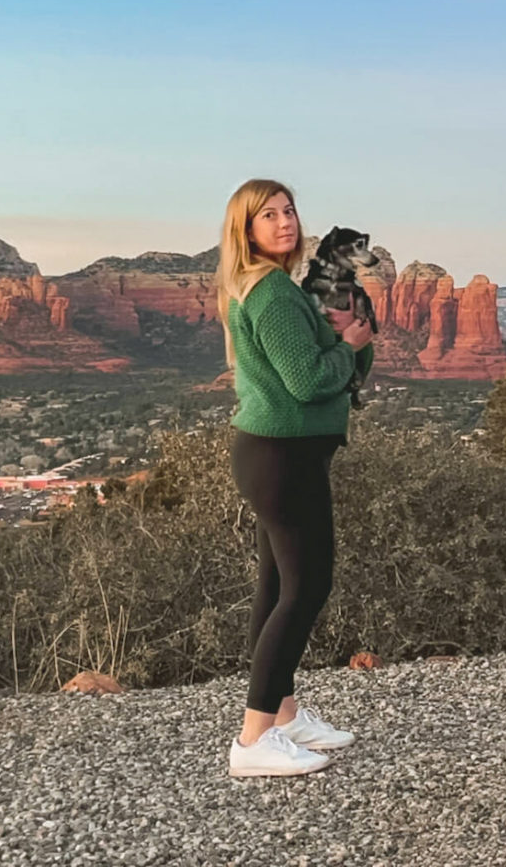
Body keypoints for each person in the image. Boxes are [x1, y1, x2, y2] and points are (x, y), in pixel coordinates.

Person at [215, 178, 374, 777]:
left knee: (277, 586)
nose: (284, 223)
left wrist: (349, 344)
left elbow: (326, 366)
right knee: (306, 589)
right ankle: (253, 741)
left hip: (272, 453)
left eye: (288, 211)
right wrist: (349, 342)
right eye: (268, 215)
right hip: (284, 457)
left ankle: (281, 716)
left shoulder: (255, 285)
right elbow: (309, 382)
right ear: (246, 229)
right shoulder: (275, 292)